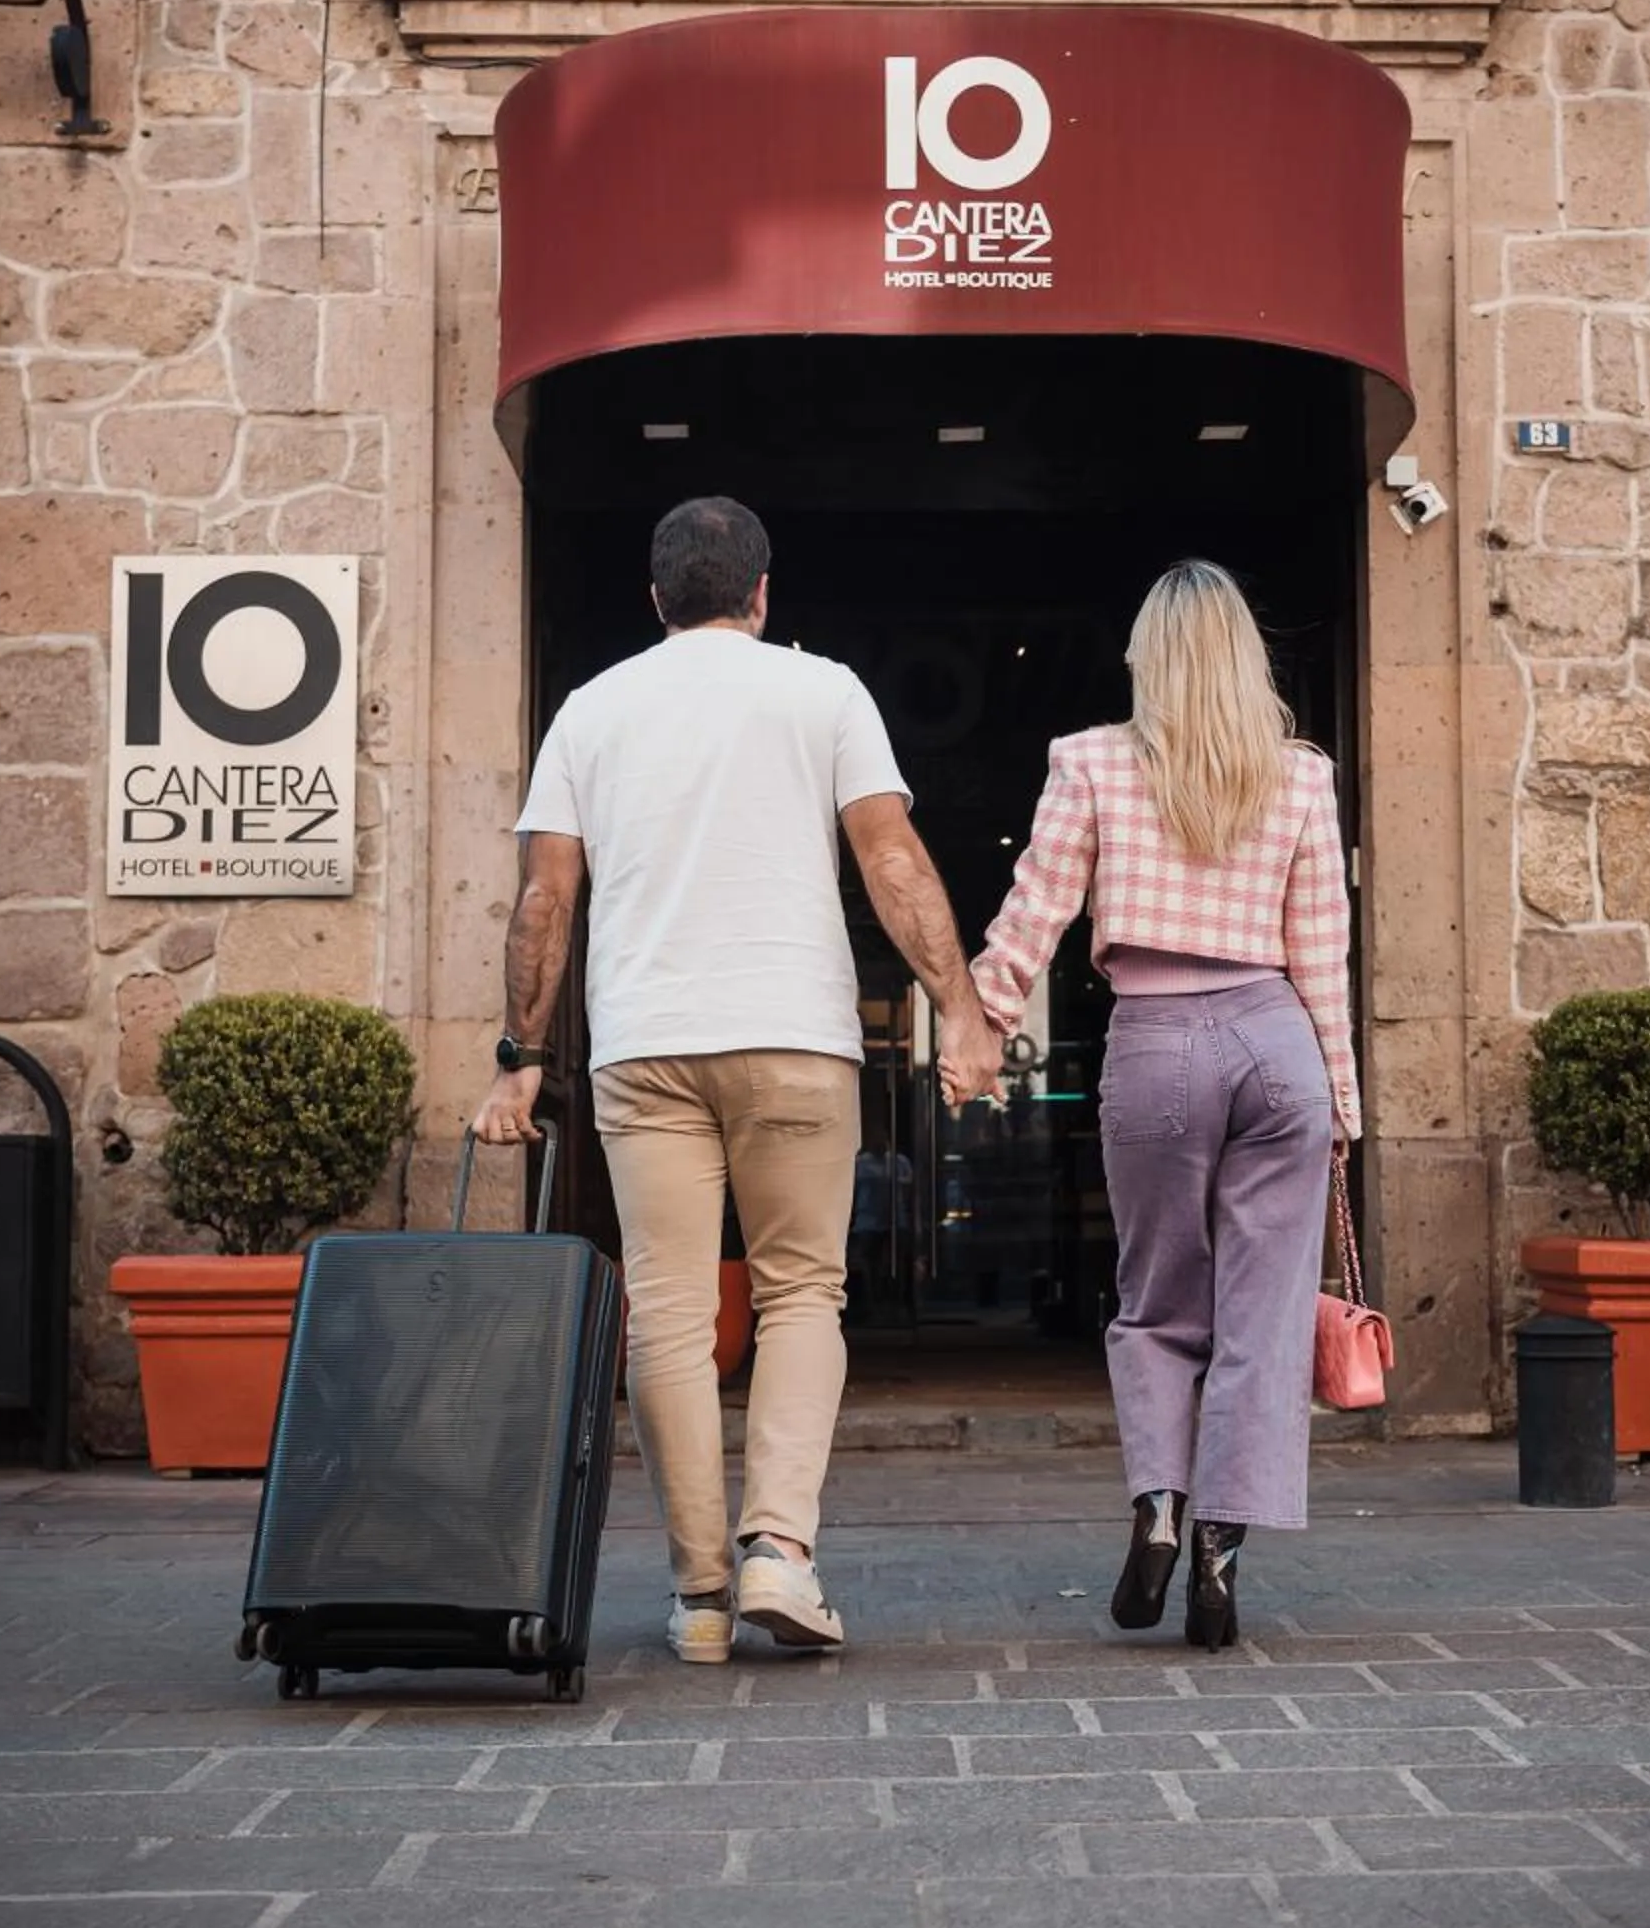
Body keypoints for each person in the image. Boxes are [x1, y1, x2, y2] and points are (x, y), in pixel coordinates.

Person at [471, 496, 1004, 1665]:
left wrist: (518, 1062)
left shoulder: (591, 710)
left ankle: (701, 1597)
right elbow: (891, 860)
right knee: (799, 1294)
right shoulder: (825, 692)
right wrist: (959, 1010)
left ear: (654, 600)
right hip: (793, 1037)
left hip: (642, 1046)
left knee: (665, 1310)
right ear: (762, 595)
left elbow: (544, 901)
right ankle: (780, 1554)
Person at [973, 558, 1359, 1651]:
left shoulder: (1090, 762)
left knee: (1154, 1305)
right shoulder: (1297, 777)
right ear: (1246, 660)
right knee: (1262, 1319)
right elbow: (1320, 950)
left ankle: (1157, 1508)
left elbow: (1033, 911)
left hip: (1154, 1043)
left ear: (1146, 657)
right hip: (1277, 1040)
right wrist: (1340, 1097)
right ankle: (1222, 1558)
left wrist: (981, 1022)